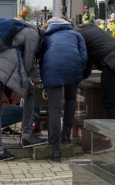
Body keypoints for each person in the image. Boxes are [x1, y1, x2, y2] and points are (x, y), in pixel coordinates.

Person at [0, 19, 46, 162]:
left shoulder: (16, 28)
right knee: (30, 93)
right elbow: (29, 61)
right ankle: (27, 136)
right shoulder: (33, 34)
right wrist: (36, 82)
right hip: (3, 64)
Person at [39, 17, 87, 162]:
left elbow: (41, 57)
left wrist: (43, 74)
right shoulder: (77, 35)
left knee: (54, 107)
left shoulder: (47, 36)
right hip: (73, 66)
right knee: (71, 100)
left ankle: (55, 149)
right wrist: (78, 69)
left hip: (52, 68)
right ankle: (66, 136)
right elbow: (84, 57)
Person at [76, 23, 115, 119]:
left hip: (113, 62)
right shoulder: (93, 29)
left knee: (110, 103)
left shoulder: (78, 35)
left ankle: (113, 132)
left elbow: (86, 58)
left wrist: (83, 76)